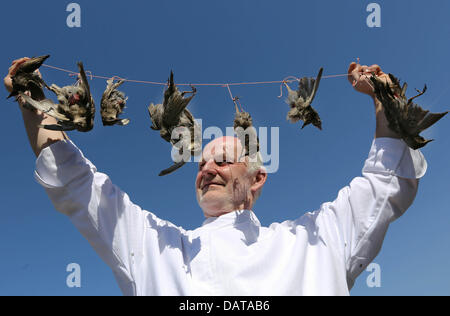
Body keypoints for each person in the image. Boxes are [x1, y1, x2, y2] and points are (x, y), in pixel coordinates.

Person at [4, 58, 427, 296]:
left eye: (222, 161)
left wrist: (383, 98)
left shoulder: (315, 240)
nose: (207, 169)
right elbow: (78, 183)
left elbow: (384, 182)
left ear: (258, 178)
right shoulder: (158, 247)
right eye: (202, 164)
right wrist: (33, 101)